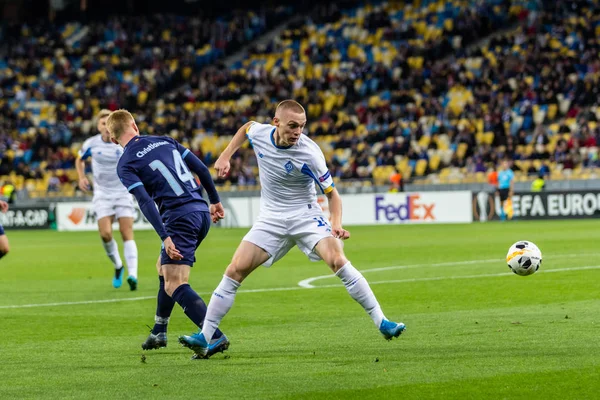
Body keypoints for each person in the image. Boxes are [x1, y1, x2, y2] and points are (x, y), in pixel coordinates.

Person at [180, 100, 405, 358]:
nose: (298, 132)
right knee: (234, 270)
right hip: (271, 218)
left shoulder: (310, 154)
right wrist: (225, 154)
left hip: (305, 215)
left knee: (337, 260)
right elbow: (246, 128)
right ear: (276, 123)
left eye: (302, 126)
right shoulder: (262, 133)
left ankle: (382, 322)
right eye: (292, 126)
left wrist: (336, 223)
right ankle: (205, 337)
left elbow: (333, 195)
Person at [107, 109, 229, 357]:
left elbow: (144, 201)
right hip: (201, 212)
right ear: (135, 125)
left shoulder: (125, 163)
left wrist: (164, 235)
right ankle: (159, 330)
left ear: (112, 139)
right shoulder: (165, 140)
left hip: (179, 217)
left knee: (175, 282)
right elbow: (202, 170)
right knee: (163, 268)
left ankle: (213, 336)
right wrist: (214, 201)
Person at [76, 109, 139, 290]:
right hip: (102, 194)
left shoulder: (122, 143)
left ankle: (133, 274)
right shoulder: (91, 143)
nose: (105, 127)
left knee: (127, 233)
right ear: (98, 126)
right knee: (105, 234)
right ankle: (118, 266)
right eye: (102, 123)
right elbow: (79, 159)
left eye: (108, 123)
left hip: (123, 192)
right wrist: (81, 177)